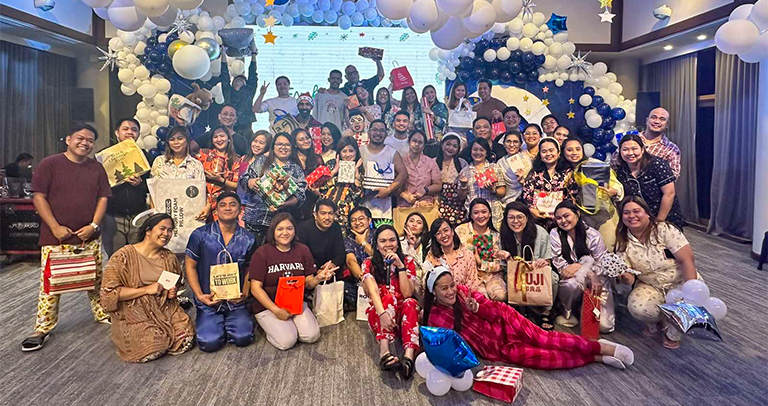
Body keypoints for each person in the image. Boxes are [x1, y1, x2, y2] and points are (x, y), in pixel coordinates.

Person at [423, 269, 635, 370]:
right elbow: (452, 347)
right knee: (541, 358)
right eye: (444, 288)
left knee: (547, 340)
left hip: (505, 320)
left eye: (451, 285)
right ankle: (595, 357)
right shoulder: (435, 317)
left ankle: (603, 348)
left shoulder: (463, 292)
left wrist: (477, 308)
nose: (451, 291)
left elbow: (495, 311)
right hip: (496, 347)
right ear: (433, 292)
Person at [20, 124, 112, 352]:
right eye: (80, 138)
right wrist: (55, 226)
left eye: (90, 140)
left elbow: (103, 198)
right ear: (68, 139)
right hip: (56, 237)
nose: (85, 143)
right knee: (51, 285)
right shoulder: (49, 164)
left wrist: (93, 225)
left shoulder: (97, 168)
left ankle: (102, 314)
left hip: (89, 236)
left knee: (96, 279)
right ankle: (42, 328)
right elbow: (39, 197)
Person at [100, 213, 194, 362]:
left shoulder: (169, 257)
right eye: (162, 228)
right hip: (134, 309)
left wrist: (171, 292)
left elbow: (174, 283)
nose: (166, 234)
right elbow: (108, 293)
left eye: (170, 230)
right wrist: (145, 289)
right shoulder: (123, 257)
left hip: (164, 307)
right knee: (154, 346)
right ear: (148, 231)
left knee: (186, 339)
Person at [615, 196, 699, 349]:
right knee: (637, 307)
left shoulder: (664, 230)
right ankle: (658, 320)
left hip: (679, 281)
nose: (631, 216)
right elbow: (630, 279)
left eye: (636, 211)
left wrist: (690, 289)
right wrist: (623, 277)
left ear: (647, 213)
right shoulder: (622, 239)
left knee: (683, 303)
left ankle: (673, 333)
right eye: (626, 213)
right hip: (650, 284)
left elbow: (687, 259)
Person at [249, 213, 336, 350]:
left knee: (312, 336)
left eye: (289, 228)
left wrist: (318, 278)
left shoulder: (302, 250)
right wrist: (276, 310)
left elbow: (308, 282)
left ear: (295, 230)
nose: (285, 233)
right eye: (280, 229)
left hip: (296, 304)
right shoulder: (262, 253)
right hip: (269, 306)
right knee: (287, 342)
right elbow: (255, 288)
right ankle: (268, 328)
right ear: (273, 231)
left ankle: (290, 327)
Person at [185, 192, 256, 352]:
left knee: (243, 337)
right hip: (208, 299)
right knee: (209, 343)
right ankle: (212, 322)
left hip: (236, 301)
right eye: (222, 205)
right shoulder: (200, 235)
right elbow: (190, 265)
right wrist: (199, 295)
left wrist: (244, 293)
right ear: (216, 210)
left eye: (232, 204)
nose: (228, 208)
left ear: (240, 210)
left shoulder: (248, 238)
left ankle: (233, 322)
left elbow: (250, 269)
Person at [361, 225, 419, 379]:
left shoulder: (408, 261)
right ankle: (384, 352)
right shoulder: (368, 263)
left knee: (411, 302)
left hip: (404, 318)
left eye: (392, 240)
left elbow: (407, 293)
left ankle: (408, 358)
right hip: (379, 316)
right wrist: (382, 314)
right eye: (383, 241)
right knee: (387, 297)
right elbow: (372, 291)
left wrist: (400, 266)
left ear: (398, 243)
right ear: (376, 245)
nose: (388, 244)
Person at [549, 201, 615, 333]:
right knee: (570, 284)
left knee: (604, 327)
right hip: (573, 279)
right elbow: (562, 266)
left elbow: (602, 263)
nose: (563, 221)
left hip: (597, 279)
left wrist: (582, 267)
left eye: (566, 216)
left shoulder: (593, 235)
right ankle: (568, 311)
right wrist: (587, 272)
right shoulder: (555, 233)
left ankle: (585, 306)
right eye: (559, 218)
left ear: (577, 214)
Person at [497, 202, 557, 330]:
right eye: (511, 217)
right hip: (514, 274)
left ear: (527, 218)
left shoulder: (540, 232)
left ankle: (546, 312)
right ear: (506, 219)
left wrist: (543, 262)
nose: (515, 221)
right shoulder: (503, 235)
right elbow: (503, 267)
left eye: (520, 217)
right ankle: (519, 307)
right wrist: (507, 258)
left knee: (553, 278)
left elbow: (548, 261)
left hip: (535, 273)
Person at [240, 132, 307, 245]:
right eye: (279, 144)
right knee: (251, 253)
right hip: (255, 218)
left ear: (292, 147)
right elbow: (244, 179)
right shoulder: (261, 161)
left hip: (280, 222)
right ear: (273, 146)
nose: (283, 147)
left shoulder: (296, 169)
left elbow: (301, 195)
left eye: (287, 145)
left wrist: (286, 203)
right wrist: (250, 182)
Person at [561, 136, 624, 249]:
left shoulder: (594, 164)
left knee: (608, 250)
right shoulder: (563, 172)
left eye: (578, 149)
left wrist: (613, 192)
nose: (574, 153)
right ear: (563, 152)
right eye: (569, 150)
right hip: (580, 219)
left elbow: (617, 186)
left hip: (603, 215)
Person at [613, 134, 685, 230]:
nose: (630, 153)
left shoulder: (657, 164)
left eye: (634, 149)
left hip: (665, 218)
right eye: (625, 149)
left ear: (642, 150)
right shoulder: (621, 171)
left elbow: (669, 194)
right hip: (638, 221)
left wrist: (658, 223)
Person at [101, 118, 150, 257]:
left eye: (134, 130)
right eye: (126, 129)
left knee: (138, 257)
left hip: (139, 214)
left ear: (139, 134)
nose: (130, 132)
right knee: (116, 258)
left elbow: (153, 186)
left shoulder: (145, 156)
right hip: (113, 216)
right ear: (117, 133)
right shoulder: (105, 156)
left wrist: (140, 184)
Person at [454, 198, 505, 301]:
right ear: (471, 215)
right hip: (469, 276)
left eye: (484, 212)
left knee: (500, 295)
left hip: (492, 276)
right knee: (481, 298)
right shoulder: (460, 231)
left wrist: (481, 263)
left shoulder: (496, 235)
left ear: (490, 214)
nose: (480, 216)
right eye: (476, 212)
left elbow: (502, 264)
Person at [360, 120, 407, 220]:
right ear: (369, 132)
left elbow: (403, 174)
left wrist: (389, 189)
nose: (378, 133)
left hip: (384, 207)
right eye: (375, 130)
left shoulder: (392, 152)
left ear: (386, 134)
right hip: (361, 204)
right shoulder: (360, 150)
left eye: (381, 130)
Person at [521, 137, 572, 226]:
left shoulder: (568, 173)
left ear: (558, 153)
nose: (548, 154)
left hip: (562, 220)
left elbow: (572, 195)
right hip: (538, 220)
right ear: (540, 155)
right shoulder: (534, 173)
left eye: (551, 150)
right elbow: (527, 194)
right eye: (544, 151)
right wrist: (532, 209)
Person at [458, 139, 505, 230]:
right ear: (470, 151)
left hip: (493, 214)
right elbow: (461, 197)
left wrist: (493, 190)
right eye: (475, 149)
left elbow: (502, 191)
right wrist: (463, 185)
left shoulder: (494, 168)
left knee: (494, 242)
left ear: (487, 152)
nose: (478, 152)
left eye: (482, 150)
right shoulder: (465, 171)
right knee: (476, 242)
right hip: (474, 216)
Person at [196, 125, 241, 222]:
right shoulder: (204, 154)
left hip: (224, 207)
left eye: (222, 136)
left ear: (228, 138)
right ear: (212, 140)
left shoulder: (236, 160)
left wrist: (221, 180)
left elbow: (237, 185)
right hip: (202, 203)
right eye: (215, 137)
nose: (219, 139)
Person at [320, 136, 363, 232]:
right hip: (326, 210)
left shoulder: (360, 167)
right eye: (344, 151)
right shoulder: (331, 164)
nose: (348, 154)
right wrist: (335, 171)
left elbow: (358, 195)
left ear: (356, 152)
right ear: (339, 153)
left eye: (351, 151)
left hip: (346, 214)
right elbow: (321, 187)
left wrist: (356, 173)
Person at [424, 218, 479, 293]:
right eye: (438, 233)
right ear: (435, 238)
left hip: (465, 299)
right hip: (441, 300)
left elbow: (472, 285)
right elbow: (428, 285)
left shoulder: (467, 254)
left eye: (446, 230)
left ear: (452, 232)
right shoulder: (432, 256)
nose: (443, 235)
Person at [297, 199, 346, 279]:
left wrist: (333, 264)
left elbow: (340, 253)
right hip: (310, 272)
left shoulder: (336, 227)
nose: (327, 217)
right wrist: (317, 270)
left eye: (330, 213)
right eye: (323, 213)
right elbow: (302, 256)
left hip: (330, 271)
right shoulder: (303, 229)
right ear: (315, 214)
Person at [398, 130, 441, 208]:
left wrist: (425, 190)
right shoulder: (400, 161)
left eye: (420, 142)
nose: (417, 144)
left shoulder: (431, 163)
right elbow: (393, 184)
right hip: (404, 205)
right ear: (409, 142)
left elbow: (438, 185)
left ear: (424, 146)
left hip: (426, 205)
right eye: (414, 141)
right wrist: (404, 195)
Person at [220, 50, 258, 135]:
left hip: (245, 129)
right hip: (228, 128)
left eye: (242, 79)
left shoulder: (249, 92)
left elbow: (253, 74)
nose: (239, 80)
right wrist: (223, 53)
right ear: (232, 82)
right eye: (237, 79)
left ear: (246, 84)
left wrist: (253, 55)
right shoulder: (228, 91)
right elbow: (224, 74)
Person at [236, 130, 272, 222]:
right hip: (239, 203)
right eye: (255, 141)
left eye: (261, 143)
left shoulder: (268, 164)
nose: (256, 145)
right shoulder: (243, 159)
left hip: (256, 207)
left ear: (267, 146)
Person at [436, 133, 468, 225]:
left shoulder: (462, 163)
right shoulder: (434, 162)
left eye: (454, 146)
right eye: (448, 144)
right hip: (439, 204)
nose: (450, 148)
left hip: (458, 205)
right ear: (442, 144)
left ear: (458, 149)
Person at [641, 107, 681, 178]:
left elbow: (672, 176)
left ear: (667, 124)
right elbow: (615, 163)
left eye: (662, 119)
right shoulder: (630, 140)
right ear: (647, 120)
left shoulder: (672, 149)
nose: (657, 121)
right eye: (653, 117)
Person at [293, 127, 323, 221]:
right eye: (301, 139)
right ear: (295, 144)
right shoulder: (291, 160)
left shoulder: (317, 159)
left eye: (307, 138)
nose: (306, 141)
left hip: (312, 202)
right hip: (294, 203)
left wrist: (317, 192)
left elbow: (324, 181)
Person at [496, 130, 532, 206]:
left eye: (515, 142)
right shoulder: (500, 162)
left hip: (523, 200)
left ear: (520, 144)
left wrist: (522, 180)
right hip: (505, 201)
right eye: (508, 141)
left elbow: (531, 184)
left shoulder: (526, 160)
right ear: (504, 143)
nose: (511, 145)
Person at [344, 206, 375, 284]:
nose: (357, 223)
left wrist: (363, 242)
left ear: (369, 220)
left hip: (381, 277)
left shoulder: (379, 235)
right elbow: (351, 261)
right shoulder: (348, 240)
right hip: (360, 281)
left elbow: (381, 257)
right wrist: (363, 278)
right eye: (353, 220)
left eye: (361, 219)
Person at [399, 212, 430, 288]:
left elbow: (427, 269)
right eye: (411, 221)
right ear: (405, 225)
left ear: (423, 229)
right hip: (405, 282)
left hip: (423, 284)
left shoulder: (426, 245)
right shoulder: (398, 243)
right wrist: (411, 246)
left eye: (419, 223)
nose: (414, 224)